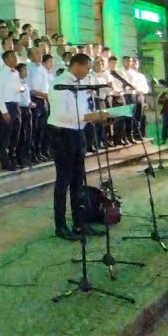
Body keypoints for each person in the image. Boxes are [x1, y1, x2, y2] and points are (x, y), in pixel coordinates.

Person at [47, 53, 109, 240]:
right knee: (63, 181)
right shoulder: (59, 84)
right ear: (77, 66)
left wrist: (96, 115)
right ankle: (60, 226)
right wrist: (89, 117)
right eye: (87, 68)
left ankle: (79, 223)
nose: (88, 72)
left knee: (78, 181)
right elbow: (61, 115)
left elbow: (81, 110)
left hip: (78, 133)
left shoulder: (80, 86)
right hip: (62, 134)